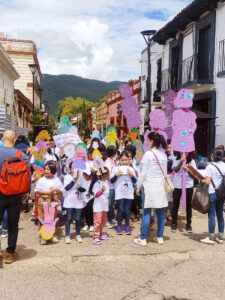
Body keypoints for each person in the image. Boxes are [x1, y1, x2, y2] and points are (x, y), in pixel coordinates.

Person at [0, 130, 29, 264]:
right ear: (15, 139)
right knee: (13, 224)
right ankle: (10, 253)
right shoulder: (21, 155)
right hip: (16, 194)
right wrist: (26, 192)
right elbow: (27, 175)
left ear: (2, 138)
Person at [134, 132, 168, 246]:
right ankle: (160, 237)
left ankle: (143, 238)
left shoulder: (148, 154)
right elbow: (165, 173)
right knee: (160, 213)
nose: (147, 142)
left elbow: (143, 173)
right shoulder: (164, 155)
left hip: (148, 185)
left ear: (152, 141)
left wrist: (138, 186)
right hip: (160, 185)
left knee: (146, 212)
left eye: (147, 140)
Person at [35, 160, 63, 245]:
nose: (46, 171)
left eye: (48, 169)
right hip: (43, 201)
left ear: (53, 171)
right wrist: (47, 193)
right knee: (42, 218)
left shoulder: (57, 180)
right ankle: (43, 237)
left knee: (52, 219)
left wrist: (55, 190)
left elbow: (61, 191)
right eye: (45, 169)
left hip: (53, 201)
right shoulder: (41, 180)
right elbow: (37, 191)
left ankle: (52, 235)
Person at [200, 148, 225, 244]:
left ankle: (210, 237)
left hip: (212, 193)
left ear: (212, 156)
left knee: (211, 216)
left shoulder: (210, 167)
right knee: (220, 215)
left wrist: (200, 179)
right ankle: (220, 237)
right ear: (222, 156)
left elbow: (207, 182)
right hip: (222, 193)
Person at [110, 151, 137, 234]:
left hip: (129, 193)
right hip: (120, 193)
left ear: (129, 160)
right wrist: (116, 175)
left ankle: (127, 226)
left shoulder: (131, 169)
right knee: (120, 209)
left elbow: (135, 181)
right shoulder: (115, 169)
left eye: (126, 160)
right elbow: (111, 180)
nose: (124, 161)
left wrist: (131, 174)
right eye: (122, 160)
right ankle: (119, 226)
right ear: (119, 160)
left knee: (127, 210)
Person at [171, 152, 196, 233]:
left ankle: (189, 224)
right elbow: (175, 170)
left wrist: (188, 169)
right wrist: (181, 162)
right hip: (177, 185)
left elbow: (194, 175)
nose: (184, 153)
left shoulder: (192, 161)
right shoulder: (175, 160)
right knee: (175, 205)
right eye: (182, 151)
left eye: (186, 152)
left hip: (188, 186)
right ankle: (174, 223)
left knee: (188, 205)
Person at [63, 163, 85, 244]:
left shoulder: (81, 177)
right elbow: (66, 188)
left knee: (78, 219)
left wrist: (80, 188)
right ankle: (67, 235)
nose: (75, 170)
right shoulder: (67, 177)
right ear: (69, 169)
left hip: (78, 202)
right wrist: (74, 180)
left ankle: (78, 234)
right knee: (68, 218)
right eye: (73, 168)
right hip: (69, 202)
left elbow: (84, 190)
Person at [90, 167, 110, 245]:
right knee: (97, 222)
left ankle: (100, 234)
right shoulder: (97, 183)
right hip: (98, 206)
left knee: (102, 221)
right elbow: (96, 195)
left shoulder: (106, 182)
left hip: (104, 205)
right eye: (107, 173)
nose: (109, 175)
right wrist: (101, 191)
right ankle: (95, 237)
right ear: (103, 175)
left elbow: (107, 194)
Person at [104, 146, 117, 229]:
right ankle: (106, 221)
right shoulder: (108, 162)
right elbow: (107, 174)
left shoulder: (112, 161)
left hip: (113, 186)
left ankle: (111, 218)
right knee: (107, 204)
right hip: (109, 185)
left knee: (111, 204)